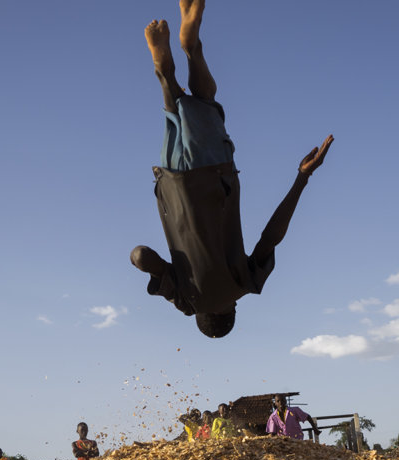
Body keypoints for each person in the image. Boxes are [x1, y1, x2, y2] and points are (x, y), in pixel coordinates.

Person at [130, 0, 333, 338]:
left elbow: (272, 237)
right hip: (169, 182)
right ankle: (165, 71)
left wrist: (303, 177)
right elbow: (140, 255)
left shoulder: (244, 284)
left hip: (215, 177)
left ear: (232, 310)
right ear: (199, 316)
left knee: (206, 102)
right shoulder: (185, 297)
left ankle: (190, 48)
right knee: (174, 110)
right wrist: (165, 277)